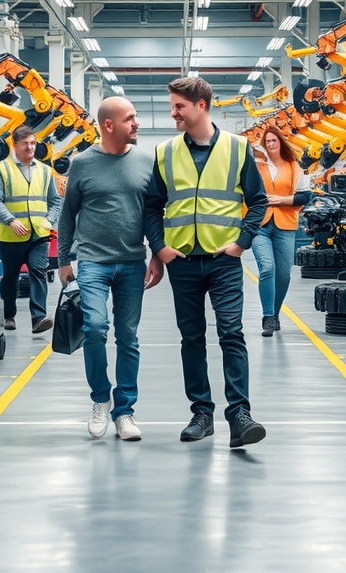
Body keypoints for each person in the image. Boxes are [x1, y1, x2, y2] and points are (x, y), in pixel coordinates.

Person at [143, 76, 269, 448]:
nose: (173, 113)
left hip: (223, 261)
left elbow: (258, 200)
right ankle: (201, 413)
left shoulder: (237, 147)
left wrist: (242, 243)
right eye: (172, 105)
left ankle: (240, 415)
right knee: (192, 338)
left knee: (231, 333)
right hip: (182, 261)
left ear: (201, 106)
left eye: (179, 106)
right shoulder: (165, 151)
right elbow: (152, 206)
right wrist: (160, 248)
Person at [57, 96, 160, 443]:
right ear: (109, 125)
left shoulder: (146, 161)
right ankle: (101, 398)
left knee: (128, 337)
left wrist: (157, 256)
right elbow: (68, 213)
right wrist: (63, 261)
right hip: (92, 263)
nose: (137, 123)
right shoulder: (83, 163)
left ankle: (125, 411)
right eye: (130, 118)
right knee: (96, 327)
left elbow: (153, 214)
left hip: (133, 261)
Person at [0, 125, 62, 335]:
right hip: (12, 235)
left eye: (33, 143)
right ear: (15, 144)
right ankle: (9, 315)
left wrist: (50, 220)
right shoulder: (1, 169)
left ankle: (38, 318)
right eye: (26, 143)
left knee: (38, 272)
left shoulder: (46, 170)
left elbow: (55, 201)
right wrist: (11, 220)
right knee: (10, 276)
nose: (30, 147)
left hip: (39, 234)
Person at [252, 128, 311, 337]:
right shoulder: (257, 167)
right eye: (267, 141)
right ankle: (268, 316)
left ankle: (275, 314)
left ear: (280, 142)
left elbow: (306, 197)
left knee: (283, 275)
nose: (270, 144)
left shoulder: (294, 167)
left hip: (285, 226)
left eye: (274, 140)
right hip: (260, 226)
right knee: (267, 268)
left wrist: (282, 200)